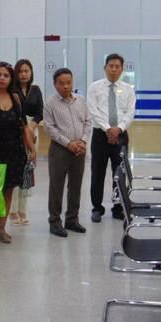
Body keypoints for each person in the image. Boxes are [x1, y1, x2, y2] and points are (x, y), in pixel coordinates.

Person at [0, 61, 37, 245]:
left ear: (11, 79)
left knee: (8, 191)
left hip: (14, 152)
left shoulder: (16, 98)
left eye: (6, 75)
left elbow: (24, 126)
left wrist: (32, 149)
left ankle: (1, 228)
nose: (2, 78)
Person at [87, 54, 136, 223]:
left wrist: (118, 129)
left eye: (117, 66)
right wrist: (108, 129)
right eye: (111, 66)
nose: (114, 69)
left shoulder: (129, 89)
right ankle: (97, 208)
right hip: (100, 135)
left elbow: (130, 113)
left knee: (119, 173)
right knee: (97, 173)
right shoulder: (95, 87)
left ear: (122, 69)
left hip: (121, 135)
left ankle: (117, 207)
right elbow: (93, 110)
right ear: (105, 67)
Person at [43, 68, 91, 237]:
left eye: (68, 82)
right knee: (57, 186)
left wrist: (83, 141)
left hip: (80, 149)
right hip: (60, 149)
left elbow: (88, 122)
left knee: (76, 186)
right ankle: (55, 222)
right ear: (55, 84)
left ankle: (72, 219)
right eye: (61, 83)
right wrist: (68, 143)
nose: (65, 86)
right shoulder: (50, 103)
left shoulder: (81, 100)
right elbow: (49, 128)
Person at [9, 59, 43, 226]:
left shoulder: (36, 90)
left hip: (33, 129)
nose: (23, 74)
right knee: (16, 171)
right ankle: (12, 210)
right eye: (20, 71)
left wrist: (32, 126)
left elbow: (40, 111)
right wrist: (24, 127)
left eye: (26, 71)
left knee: (27, 171)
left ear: (31, 73)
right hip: (16, 131)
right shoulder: (12, 90)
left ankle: (23, 210)